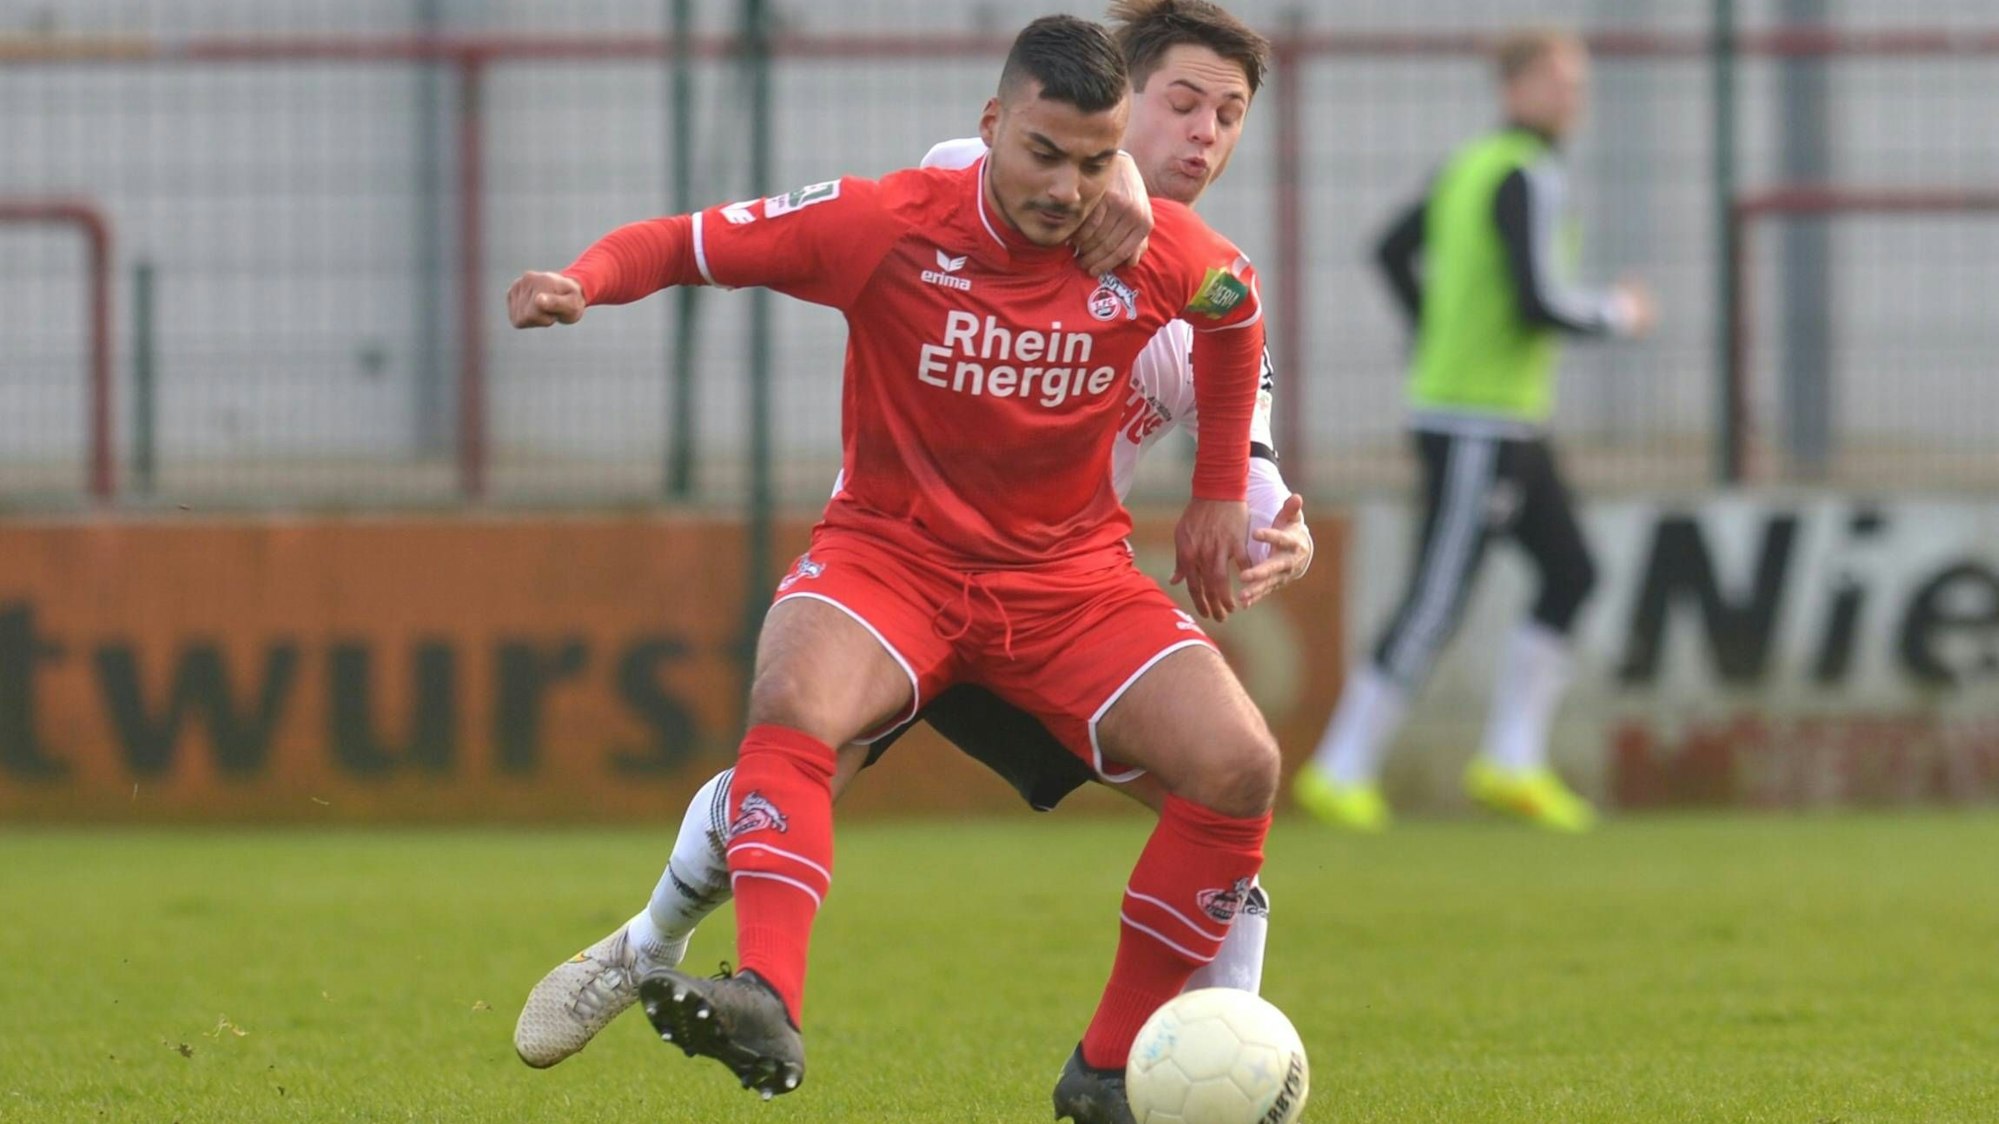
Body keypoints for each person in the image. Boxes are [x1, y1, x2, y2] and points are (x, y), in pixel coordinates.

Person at [512, 4, 1298, 1106]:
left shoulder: (1178, 262)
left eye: (1229, 115)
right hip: (897, 568)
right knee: (796, 718)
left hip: (1064, 594)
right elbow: (693, 240)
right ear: (1004, 125)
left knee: (1234, 776)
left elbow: (1239, 342)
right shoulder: (913, 205)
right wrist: (582, 280)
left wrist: (1250, 513)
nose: (1205, 133)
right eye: (1183, 104)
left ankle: (1130, 1071)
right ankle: (705, 966)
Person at [1293, 27, 1658, 834]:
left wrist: (1433, 330)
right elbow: (1537, 301)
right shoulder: (1521, 173)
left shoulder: (1470, 166)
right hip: (1473, 422)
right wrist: (1618, 314)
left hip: (1505, 419)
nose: (1573, 97)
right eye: (1558, 81)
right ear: (1514, 87)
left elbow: (1390, 251)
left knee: (1571, 571)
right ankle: (1341, 767)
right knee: (1438, 595)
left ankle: (1511, 759)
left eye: (1578, 83)